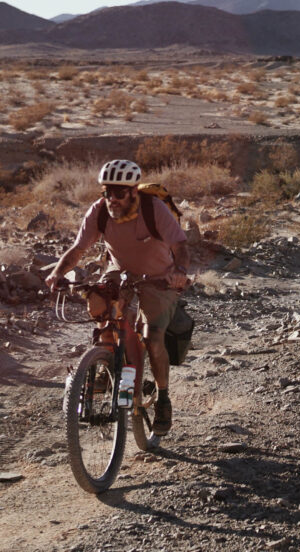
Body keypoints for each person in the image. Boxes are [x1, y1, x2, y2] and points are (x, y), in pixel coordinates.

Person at [46, 159, 189, 437]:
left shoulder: (153, 209)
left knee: (153, 336)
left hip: (158, 277)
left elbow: (180, 245)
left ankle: (163, 398)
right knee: (99, 304)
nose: (112, 198)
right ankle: (106, 361)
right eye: (107, 192)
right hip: (118, 271)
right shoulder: (99, 212)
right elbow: (78, 248)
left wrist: (180, 271)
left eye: (119, 193)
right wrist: (56, 273)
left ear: (133, 191)